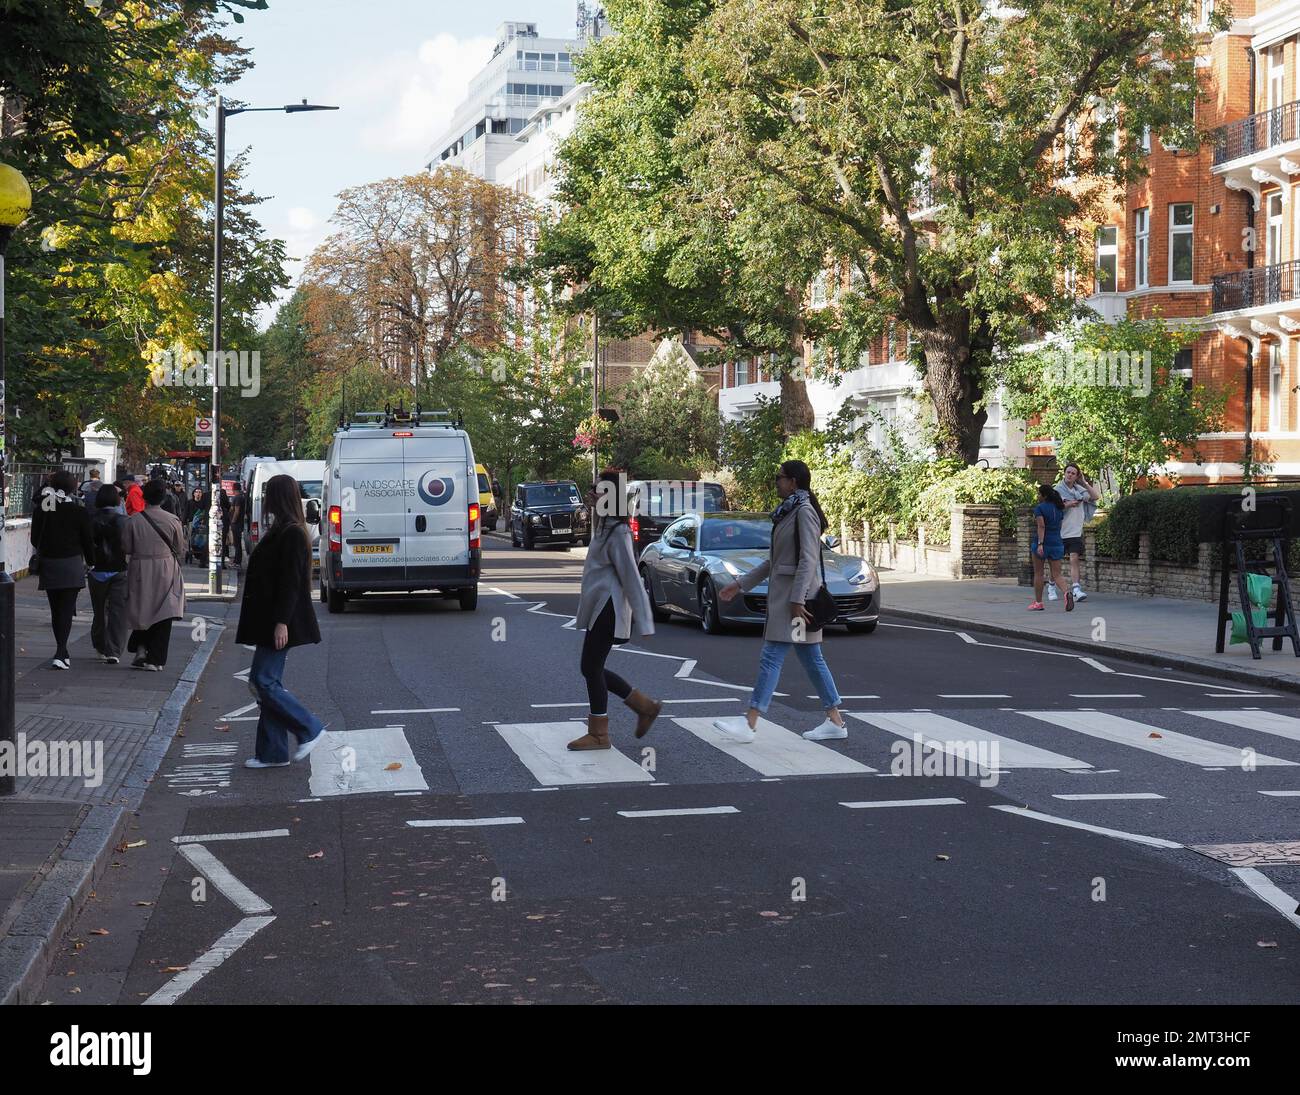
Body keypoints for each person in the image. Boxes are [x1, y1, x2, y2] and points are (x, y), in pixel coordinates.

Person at [715, 459, 848, 742]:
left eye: (780, 477)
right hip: (792, 599)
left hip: (796, 601)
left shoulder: (803, 512)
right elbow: (775, 562)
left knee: (772, 656)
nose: (776, 481)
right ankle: (835, 720)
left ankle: (750, 722)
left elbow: (808, 560)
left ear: (794, 482)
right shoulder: (789, 512)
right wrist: (739, 585)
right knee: (811, 658)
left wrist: (797, 600)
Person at [567, 467, 662, 750]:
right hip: (600, 606)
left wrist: (644, 620)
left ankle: (600, 733)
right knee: (592, 667)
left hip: (608, 608)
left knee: (590, 667)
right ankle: (644, 707)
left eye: (597, 489)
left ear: (611, 496)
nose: (592, 493)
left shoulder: (617, 531)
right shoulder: (605, 525)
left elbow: (632, 577)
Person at [236, 474, 325, 768]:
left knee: (263, 680)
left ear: (279, 497)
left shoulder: (292, 534)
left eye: (269, 493)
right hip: (269, 618)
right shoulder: (283, 529)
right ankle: (272, 752)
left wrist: (281, 622)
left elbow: (290, 582)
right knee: (265, 682)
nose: (265, 500)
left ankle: (309, 727)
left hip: (277, 619)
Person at [30, 470, 94, 670]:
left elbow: (34, 539)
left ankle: (62, 651)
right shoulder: (79, 511)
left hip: (50, 564)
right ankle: (61, 651)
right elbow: (88, 541)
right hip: (72, 564)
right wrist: (91, 562)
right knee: (66, 609)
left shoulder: (43, 509)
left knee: (56, 609)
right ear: (73, 488)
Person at [122, 478, 186, 670]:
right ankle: (155, 659)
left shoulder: (133, 521)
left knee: (142, 609)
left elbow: (126, 547)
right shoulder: (173, 520)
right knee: (164, 612)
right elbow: (179, 548)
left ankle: (141, 647)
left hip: (140, 567)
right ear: (163, 498)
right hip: (166, 567)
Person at [88, 484, 128, 664]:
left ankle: (99, 645)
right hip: (118, 569)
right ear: (117, 500)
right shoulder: (123, 521)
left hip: (96, 570)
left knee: (99, 610)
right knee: (117, 611)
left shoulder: (90, 519)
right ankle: (114, 650)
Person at [1054, 462, 1100, 603]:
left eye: (1073, 473)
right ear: (1064, 473)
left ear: (1076, 476)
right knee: (1056, 563)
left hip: (1075, 531)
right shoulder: (1057, 490)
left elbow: (1095, 496)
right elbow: (1054, 507)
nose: (1070, 475)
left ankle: (1076, 589)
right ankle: (1051, 585)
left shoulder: (1080, 489)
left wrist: (1084, 483)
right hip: (1060, 531)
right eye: (1068, 472)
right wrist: (1067, 504)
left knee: (1074, 558)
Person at [1029, 483, 1072, 612]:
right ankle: (1066, 593)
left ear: (1044, 495)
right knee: (1057, 574)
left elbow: (1041, 526)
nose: (1037, 496)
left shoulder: (1040, 508)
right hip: (1057, 543)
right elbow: (1058, 526)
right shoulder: (1059, 509)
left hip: (1043, 543)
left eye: (1039, 494)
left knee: (1039, 573)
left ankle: (1038, 602)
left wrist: (1041, 544)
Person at [227, 481, 246, 568]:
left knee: (237, 543)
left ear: (233, 489)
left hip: (236, 524)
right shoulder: (242, 497)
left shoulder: (237, 498)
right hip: (239, 523)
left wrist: (233, 521)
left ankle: (237, 562)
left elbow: (236, 511)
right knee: (237, 543)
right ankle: (236, 561)